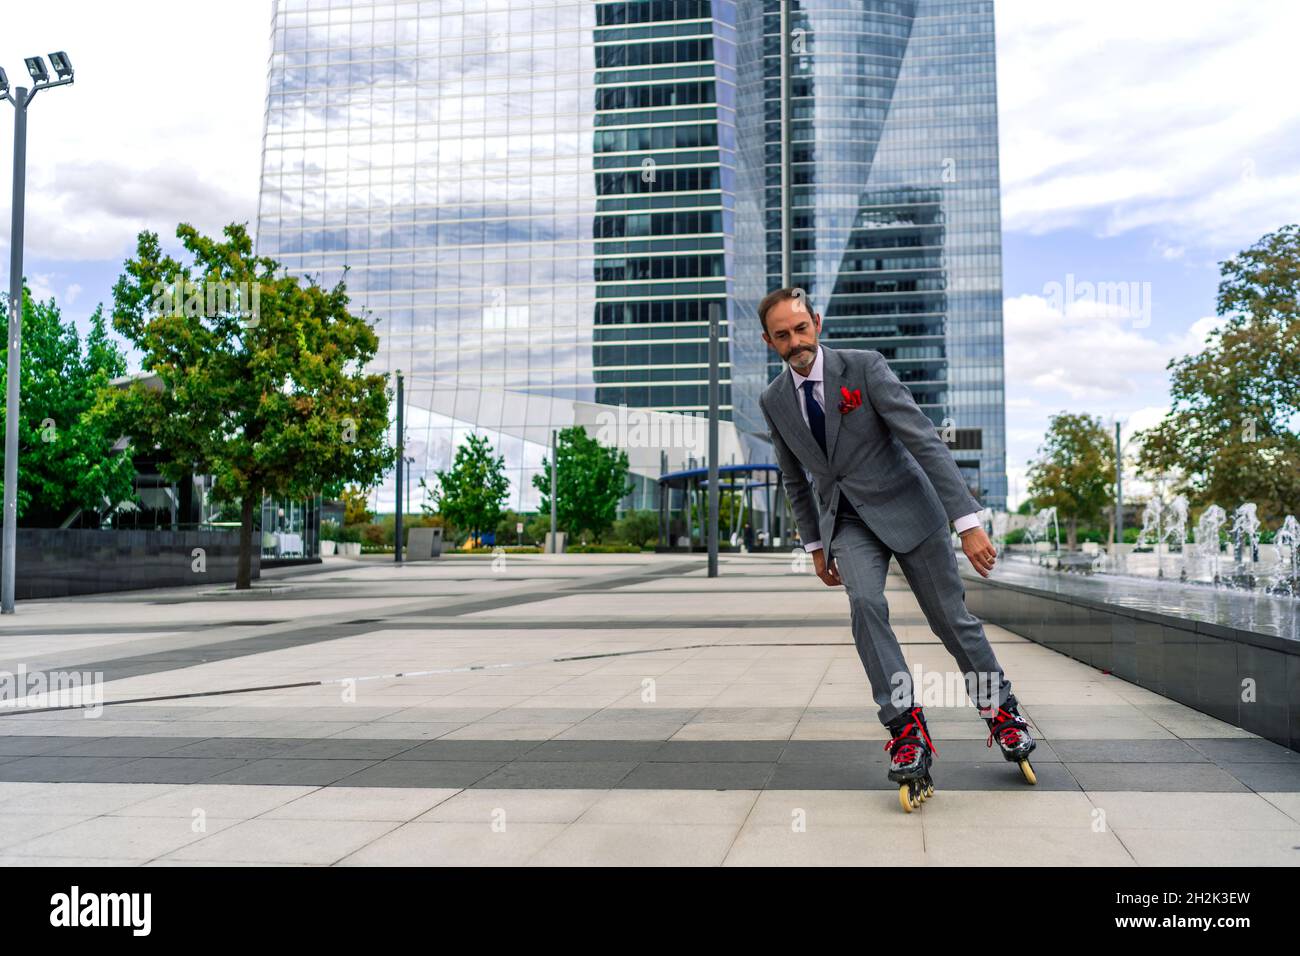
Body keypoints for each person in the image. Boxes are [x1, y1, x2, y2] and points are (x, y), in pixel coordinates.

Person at [757, 287, 1036, 811]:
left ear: (815, 322)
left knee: (950, 620)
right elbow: (794, 479)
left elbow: (923, 439)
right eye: (782, 334)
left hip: (912, 510)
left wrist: (967, 521)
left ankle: (1002, 712)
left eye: (801, 328)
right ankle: (906, 728)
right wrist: (815, 543)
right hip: (848, 522)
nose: (795, 341)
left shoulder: (864, 368)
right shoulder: (773, 400)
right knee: (865, 604)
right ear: (769, 341)